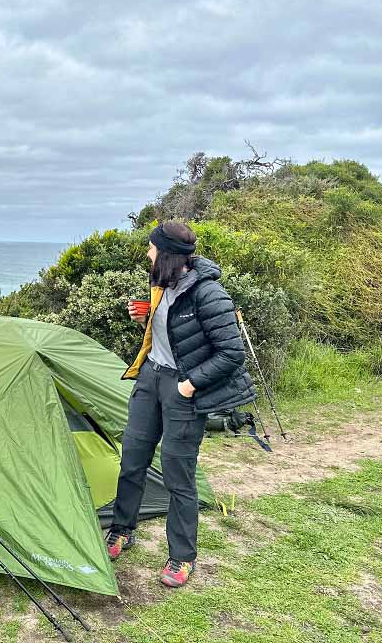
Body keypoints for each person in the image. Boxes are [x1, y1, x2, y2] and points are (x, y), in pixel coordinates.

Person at [105, 221, 256, 587]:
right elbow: (173, 332)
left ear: (168, 256)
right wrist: (146, 318)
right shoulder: (160, 284)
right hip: (150, 377)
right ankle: (122, 530)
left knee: (177, 472)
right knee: (133, 456)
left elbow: (232, 352)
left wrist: (189, 385)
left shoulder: (209, 294)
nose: (147, 253)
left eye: (152, 248)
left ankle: (182, 556)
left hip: (182, 387)